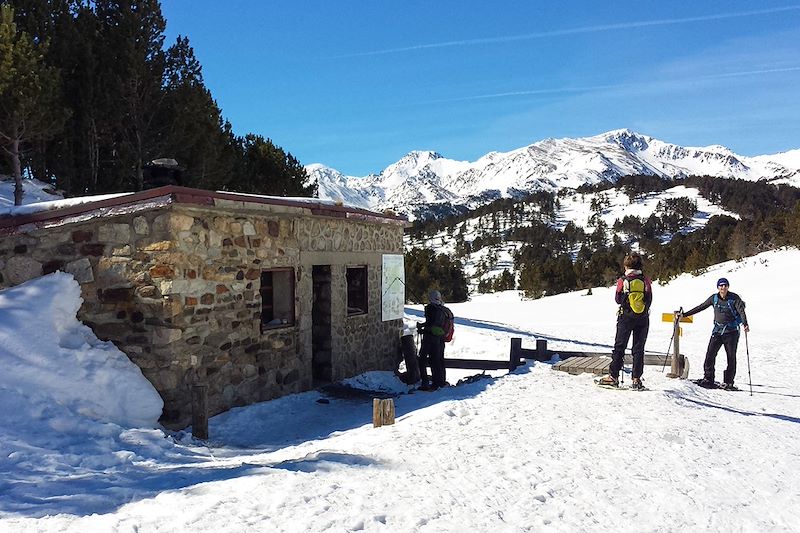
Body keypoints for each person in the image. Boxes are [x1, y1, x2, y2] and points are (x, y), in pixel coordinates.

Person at [679, 277, 749, 390]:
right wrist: (685, 314)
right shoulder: (714, 298)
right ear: (718, 287)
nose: (723, 288)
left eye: (725, 285)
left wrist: (745, 323)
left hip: (731, 332)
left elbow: (741, 311)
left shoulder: (734, 298)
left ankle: (729, 382)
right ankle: (708, 378)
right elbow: (701, 307)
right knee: (710, 355)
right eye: (721, 286)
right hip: (717, 331)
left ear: (728, 287)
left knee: (731, 357)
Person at [599, 253, 653, 390]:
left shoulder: (623, 280)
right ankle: (636, 379)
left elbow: (617, 299)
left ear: (626, 266)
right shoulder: (645, 280)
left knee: (619, 347)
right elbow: (649, 299)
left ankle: (613, 377)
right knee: (638, 349)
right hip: (643, 318)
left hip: (626, 317)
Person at [416, 289, 448, 390]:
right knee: (437, 361)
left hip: (429, 339)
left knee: (422, 360)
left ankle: (425, 383)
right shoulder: (442, 309)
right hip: (440, 339)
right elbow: (436, 324)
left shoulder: (431, 308)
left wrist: (423, 330)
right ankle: (439, 382)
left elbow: (431, 324)